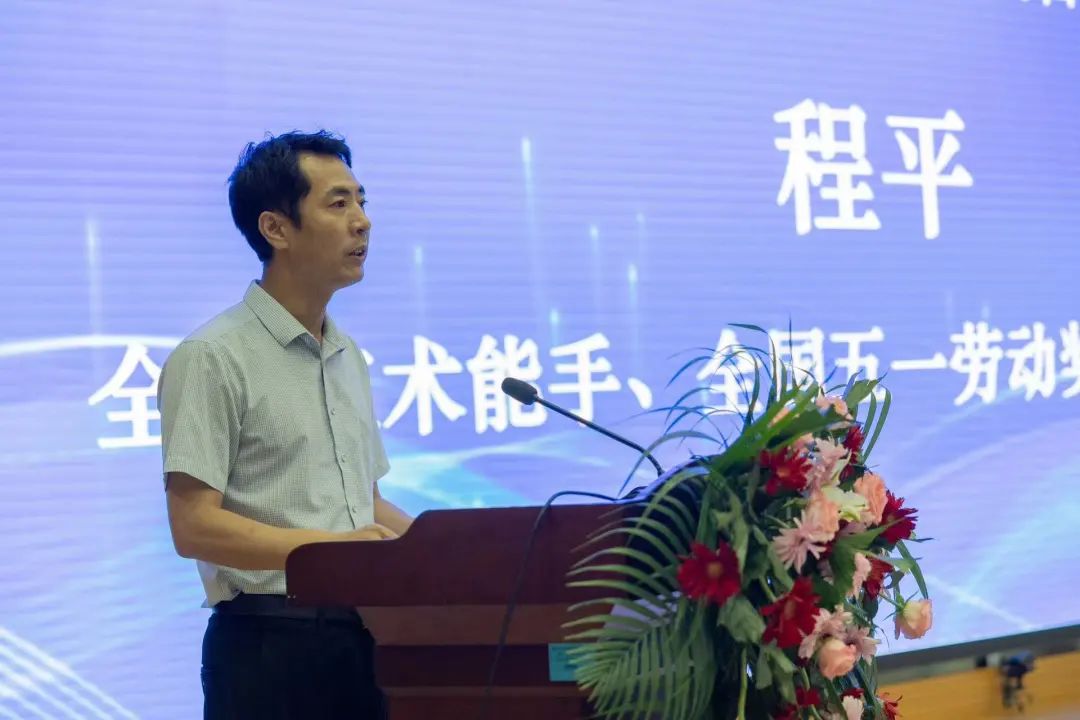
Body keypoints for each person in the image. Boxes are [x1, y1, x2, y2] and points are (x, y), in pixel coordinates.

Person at [158, 130, 411, 719]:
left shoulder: (346, 354)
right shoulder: (213, 356)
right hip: (267, 645)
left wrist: (455, 551)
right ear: (276, 228)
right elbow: (193, 526)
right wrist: (335, 552)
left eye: (361, 200)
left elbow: (364, 504)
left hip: (362, 638)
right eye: (338, 203)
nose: (363, 221)